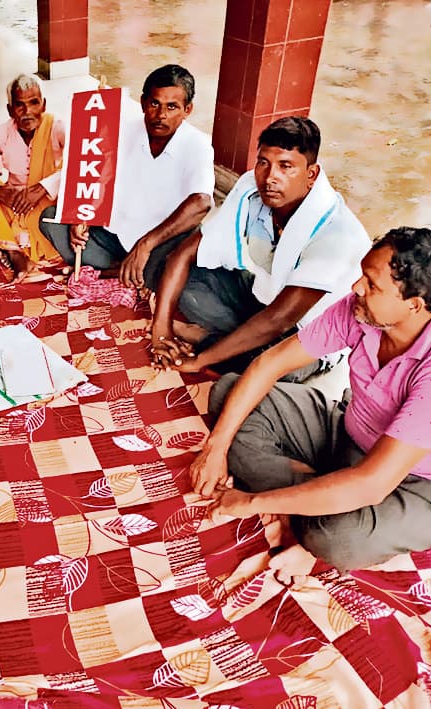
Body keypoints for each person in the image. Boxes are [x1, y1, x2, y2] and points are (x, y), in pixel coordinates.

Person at [198, 227, 431, 578]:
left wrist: (251, 502)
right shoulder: (360, 312)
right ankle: (326, 494)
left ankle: (321, 513)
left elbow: (373, 483)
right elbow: (269, 364)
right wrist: (215, 449)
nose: (356, 288)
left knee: (335, 539)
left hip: (413, 483)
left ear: (414, 305)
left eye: (372, 284)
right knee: (229, 393)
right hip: (348, 431)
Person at [150, 116, 371, 380]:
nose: (269, 177)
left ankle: (209, 340)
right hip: (262, 298)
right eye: (263, 163)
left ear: (311, 174)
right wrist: (161, 330)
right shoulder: (250, 191)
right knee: (167, 265)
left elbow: (280, 320)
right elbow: (185, 253)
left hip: (304, 331)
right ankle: (231, 343)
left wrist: (199, 361)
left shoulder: (337, 235)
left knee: (276, 368)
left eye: (286, 166)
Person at [40, 64, 214, 291]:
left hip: (160, 242)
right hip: (113, 234)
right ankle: (123, 268)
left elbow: (202, 202)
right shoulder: (122, 130)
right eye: (154, 104)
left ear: (187, 110)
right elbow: (93, 171)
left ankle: (115, 270)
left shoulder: (197, 144)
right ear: (142, 102)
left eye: (172, 107)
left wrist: (146, 244)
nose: (161, 115)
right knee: (50, 218)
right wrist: (82, 214)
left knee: (174, 268)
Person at [0, 73, 66, 282]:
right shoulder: (2, 133)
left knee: (58, 215)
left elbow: (81, 165)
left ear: (43, 105)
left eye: (34, 103)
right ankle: (16, 253)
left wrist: (43, 187)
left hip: (47, 205)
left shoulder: (58, 127)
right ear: (10, 109)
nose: (27, 112)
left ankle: (6, 245)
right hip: (14, 205)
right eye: (19, 105)